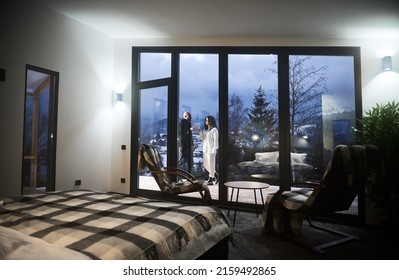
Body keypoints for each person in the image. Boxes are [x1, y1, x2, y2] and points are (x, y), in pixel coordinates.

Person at [199, 116, 219, 185]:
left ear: (211, 121)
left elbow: (216, 140)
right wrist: (200, 132)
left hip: (211, 150)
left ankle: (210, 179)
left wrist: (215, 149)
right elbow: (202, 139)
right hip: (205, 149)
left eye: (207, 120)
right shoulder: (206, 130)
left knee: (211, 165)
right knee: (206, 164)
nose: (206, 121)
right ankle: (216, 175)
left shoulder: (214, 130)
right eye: (205, 120)